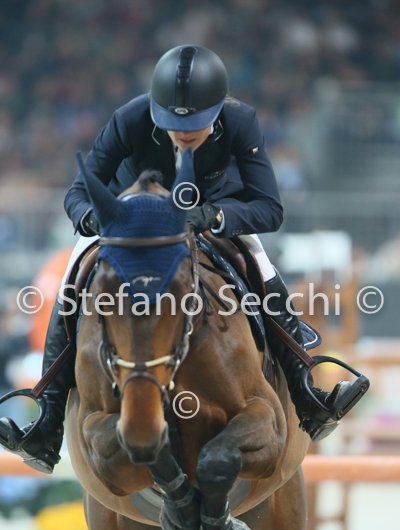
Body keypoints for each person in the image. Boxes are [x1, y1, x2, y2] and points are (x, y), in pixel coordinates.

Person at [0, 45, 366, 473]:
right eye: (173, 124)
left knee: (259, 261)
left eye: (194, 125)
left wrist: (215, 217)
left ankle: (307, 396)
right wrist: (93, 218)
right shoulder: (130, 118)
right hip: (132, 221)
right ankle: (46, 423)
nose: (183, 134)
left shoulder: (240, 122)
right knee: (73, 274)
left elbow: (269, 208)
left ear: (219, 109)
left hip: (208, 215)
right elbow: (78, 192)